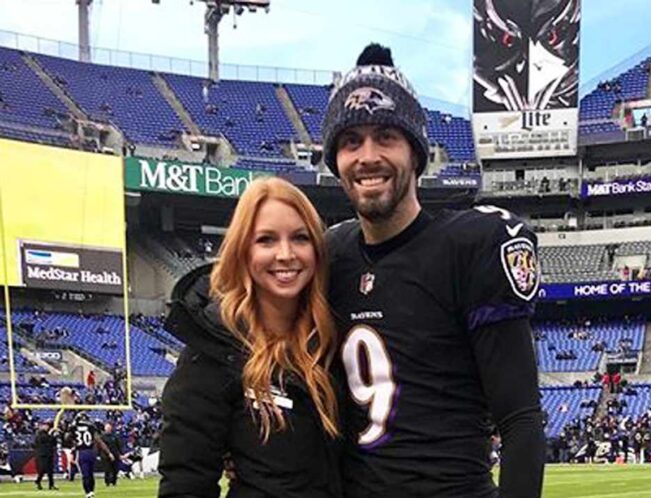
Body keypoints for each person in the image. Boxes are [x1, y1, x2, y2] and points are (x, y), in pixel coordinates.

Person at [322, 43, 544, 497]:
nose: (367, 156)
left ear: (416, 154)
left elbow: (520, 417)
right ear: (336, 162)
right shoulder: (332, 255)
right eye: (351, 141)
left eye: (386, 137)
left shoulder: (469, 245)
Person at [158, 177, 342, 498]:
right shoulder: (214, 350)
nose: (285, 254)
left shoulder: (334, 339)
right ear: (242, 250)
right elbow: (185, 483)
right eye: (266, 240)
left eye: (300, 238)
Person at [70, 412, 114, 498]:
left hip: (81, 452)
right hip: (90, 452)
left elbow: (68, 438)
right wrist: (108, 452)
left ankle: (88, 493)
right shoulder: (91, 427)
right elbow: (99, 441)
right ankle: (91, 492)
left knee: (85, 475)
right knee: (90, 474)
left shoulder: (74, 427)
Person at [33, 420, 58, 490]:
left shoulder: (49, 434)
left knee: (50, 470)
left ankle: (51, 484)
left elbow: (53, 443)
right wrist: (51, 435)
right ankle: (38, 481)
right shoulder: (39, 433)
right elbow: (44, 440)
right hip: (42, 454)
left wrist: (54, 436)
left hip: (49, 453)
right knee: (42, 469)